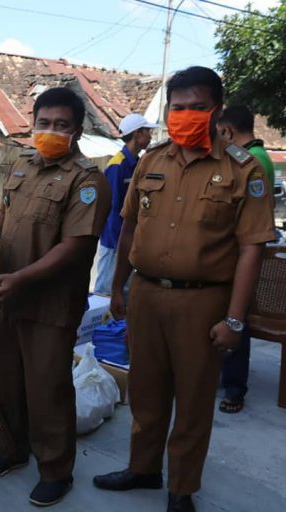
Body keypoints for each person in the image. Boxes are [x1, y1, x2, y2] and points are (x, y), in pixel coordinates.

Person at [92, 67, 275, 512]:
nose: (186, 115)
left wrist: (235, 320)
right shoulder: (151, 160)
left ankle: (181, 488)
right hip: (145, 293)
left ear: (216, 112)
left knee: (193, 400)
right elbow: (129, 226)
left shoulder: (242, 169)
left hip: (203, 301)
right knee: (145, 391)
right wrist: (117, 288)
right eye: (178, 107)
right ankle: (143, 469)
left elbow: (251, 249)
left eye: (197, 107)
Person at [0, 87, 111, 507]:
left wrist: (20, 279)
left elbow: (75, 247)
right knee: (7, 380)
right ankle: (12, 450)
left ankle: (55, 470)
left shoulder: (87, 180)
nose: (50, 131)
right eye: (44, 123)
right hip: (8, 296)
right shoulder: (22, 163)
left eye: (61, 125)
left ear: (78, 130)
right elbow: (6, 207)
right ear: (32, 124)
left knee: (47, 390)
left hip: (50, 304)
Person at [216, 105, 277, 414]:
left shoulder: (251, 162)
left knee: (237, 319)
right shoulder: (259, 156)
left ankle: (234, 388)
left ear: (227, 131)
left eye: (218, 133)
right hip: (233, 257)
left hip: (240, 256)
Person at [93, 113, 156, 296]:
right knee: (105, 293)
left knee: (124, 291)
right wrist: (117, 243)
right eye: (148, 131)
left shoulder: (138, 163)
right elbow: (112, 208)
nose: (150, 136)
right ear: (138, 134)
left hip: (128, 240)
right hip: (115, 241)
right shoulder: (117, 165)